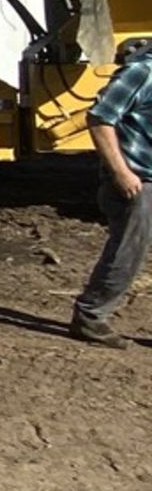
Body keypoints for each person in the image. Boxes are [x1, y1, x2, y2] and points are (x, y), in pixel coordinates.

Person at [71, 39, 152, 348]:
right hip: (137, 182)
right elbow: (100, 118)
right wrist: (121, 172)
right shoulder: (142, 72)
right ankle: (91, 316)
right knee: (128, 252)